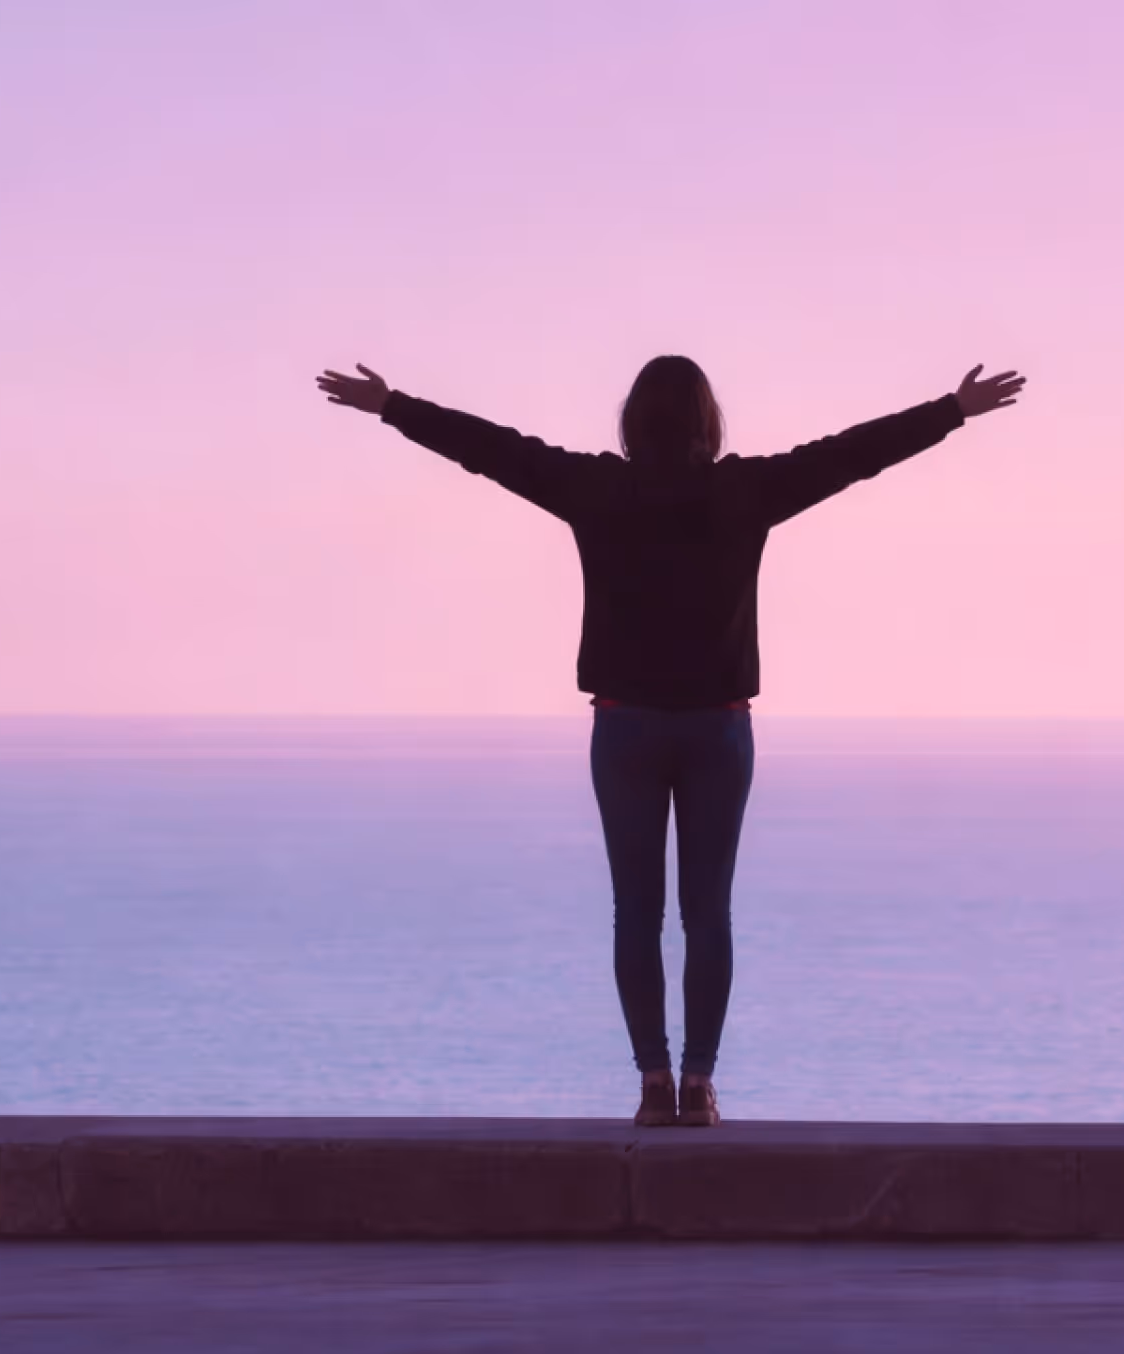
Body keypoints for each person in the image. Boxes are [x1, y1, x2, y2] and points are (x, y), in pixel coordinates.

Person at [314, 355, 1027, 1127]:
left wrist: (394, 405)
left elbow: (493, 449)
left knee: (636, 915)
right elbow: (850, 456)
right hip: (718, 728)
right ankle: (699, 1084)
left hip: (625, 725)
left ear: (632, 422)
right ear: (706, 423)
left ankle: (653, 1082)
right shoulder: (743, 492)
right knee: (707, 914)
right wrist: (949, 411)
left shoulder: (598, 490)